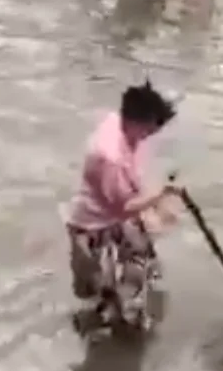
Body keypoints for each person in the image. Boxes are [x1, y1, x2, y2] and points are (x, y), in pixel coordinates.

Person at [65, 80, 183, 332]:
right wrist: (162, 192)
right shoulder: (110, 157)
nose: (149, 136)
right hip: (93, 227)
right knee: (102, 294)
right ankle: (107, 319)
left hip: (112, 217)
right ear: (137, 121)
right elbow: (126, 207)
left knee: (141, 267)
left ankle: (124, 310)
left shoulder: (118, 121)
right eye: (149, 130)